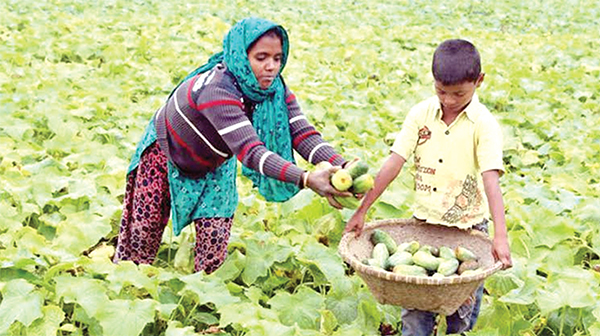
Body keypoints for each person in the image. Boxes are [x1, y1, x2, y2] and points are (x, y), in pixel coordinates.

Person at [113, 17, 353, 274]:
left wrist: (343, 165)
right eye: (261, 58)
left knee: (215, 234)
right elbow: (252, 152)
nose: (271, 67)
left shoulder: (274, 89)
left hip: (215, 159)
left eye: (277, 58)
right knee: (144, 230)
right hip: (167, 151)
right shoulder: (216, 89)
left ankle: (205, 294)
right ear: (242, 55)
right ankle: (128, 282)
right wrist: (305, 178)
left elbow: (302, 133)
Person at [343, 39, 513, 335]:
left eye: (458, 93)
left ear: (479, 81)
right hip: (424, 226)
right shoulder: (420, 114)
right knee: (414, 309)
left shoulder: (483, 124)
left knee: (460, 315)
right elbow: (393, 163)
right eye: (441, 91)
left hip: (468, 230)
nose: (448, 100)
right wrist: (362, 210)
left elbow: (490, 180)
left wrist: (501, 236)